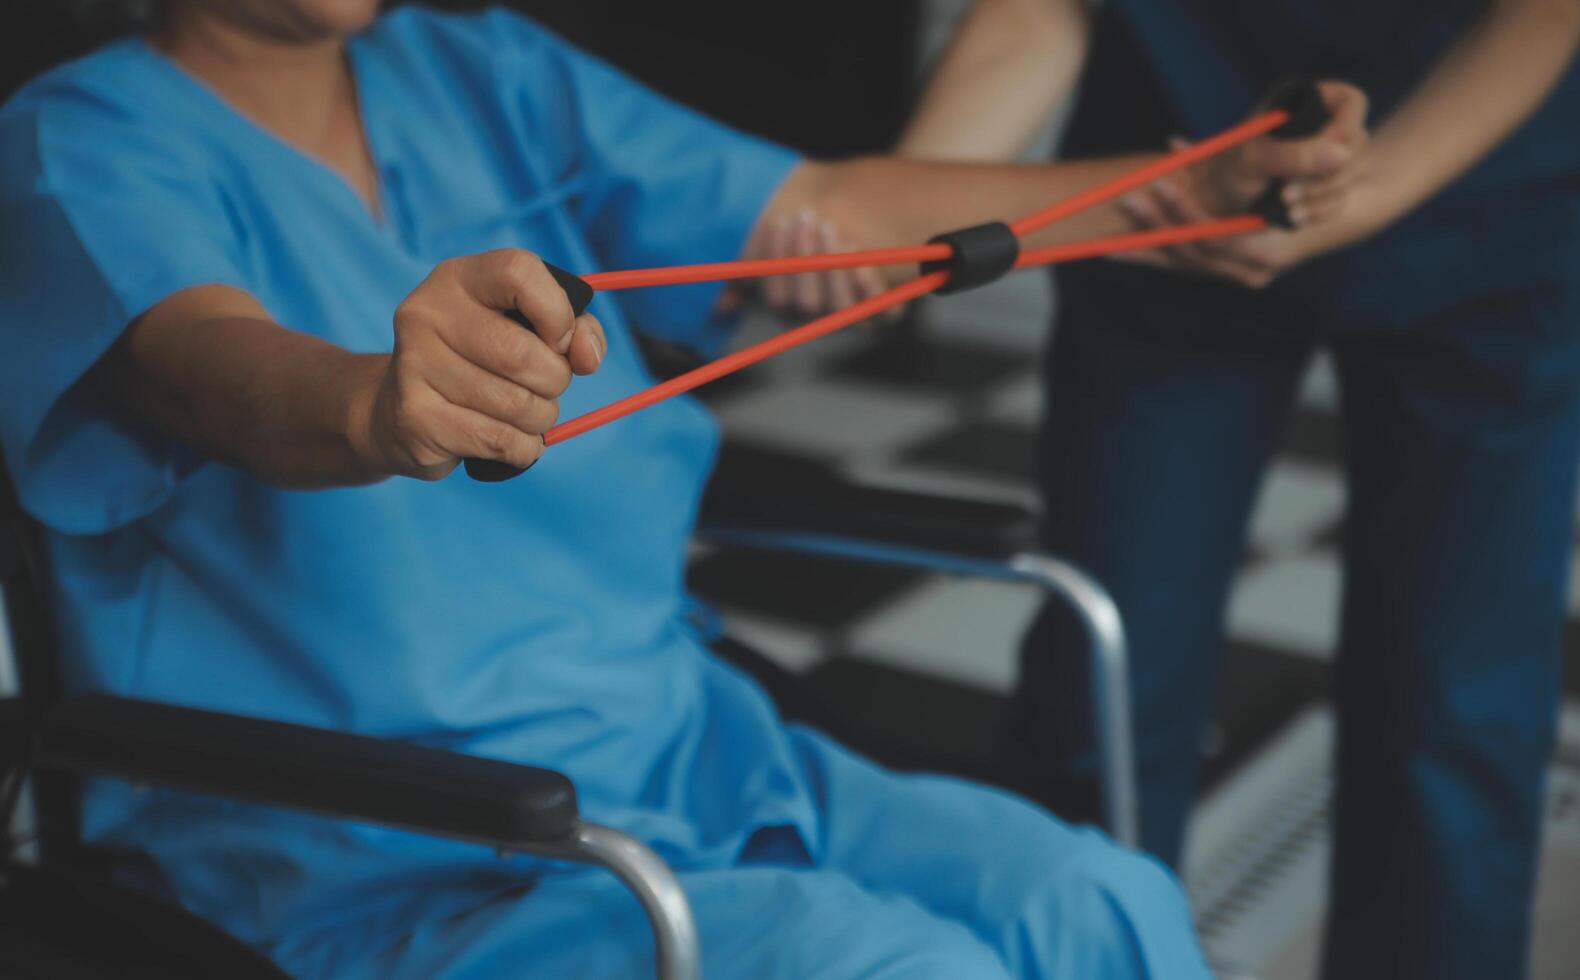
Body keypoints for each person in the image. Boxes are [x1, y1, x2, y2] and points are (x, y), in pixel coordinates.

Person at [0, 1, 1361, 976]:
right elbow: (208, 370)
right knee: (890, 965)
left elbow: (820, 199)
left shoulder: (479, 68)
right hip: (379, 850)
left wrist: (1181, 194)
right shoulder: (77, 142)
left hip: (686, 750)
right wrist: (373, 401)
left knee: (1098, 902)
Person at [899, 1, 1580, 977]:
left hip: (1486, 204)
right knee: (1103, 681)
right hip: (1165, 201)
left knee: (1457, 702)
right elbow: (1038, 12)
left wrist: (1350, 198)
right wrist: (889, 211)